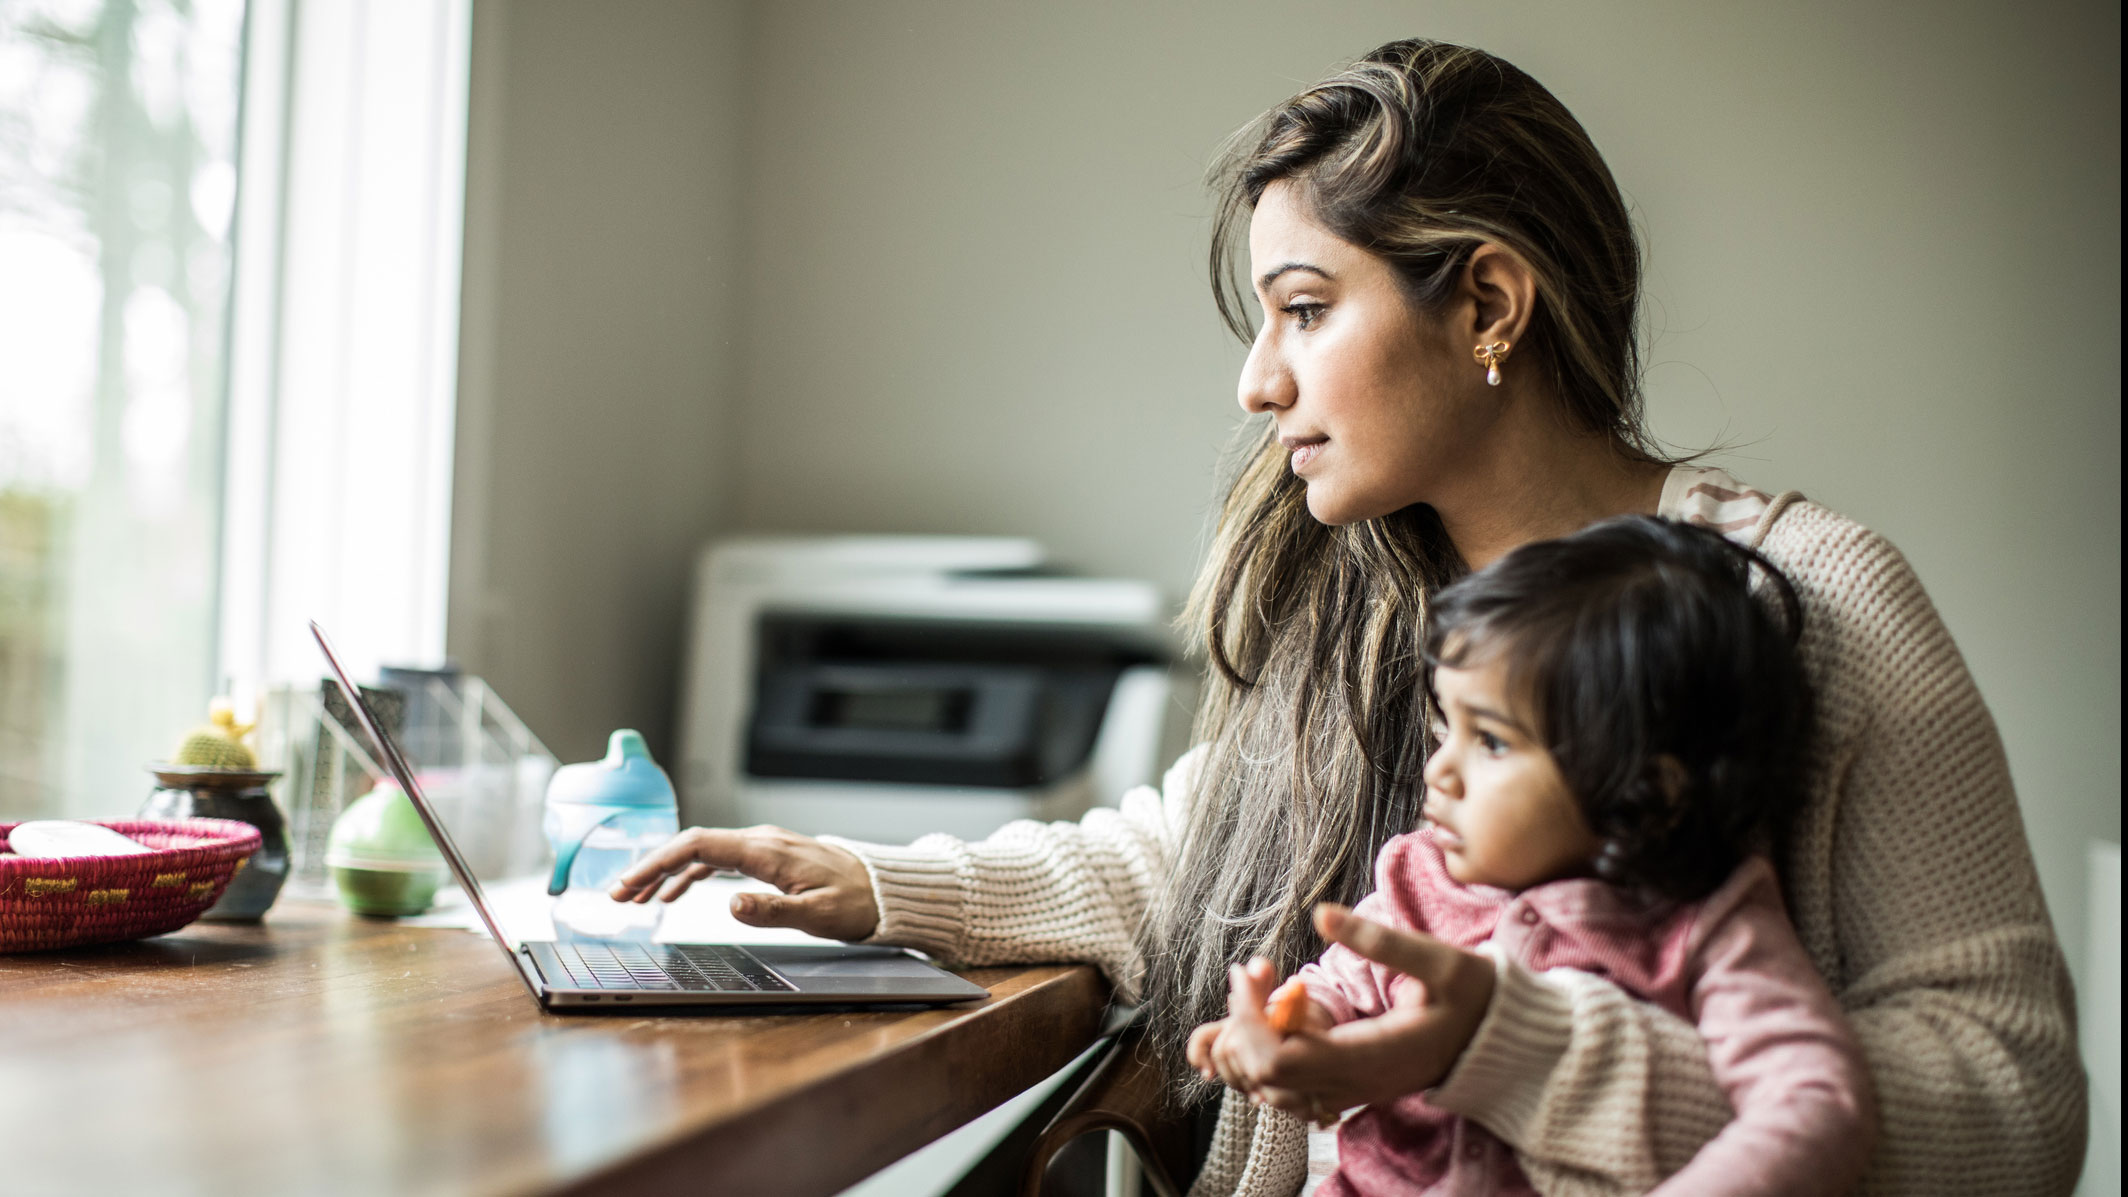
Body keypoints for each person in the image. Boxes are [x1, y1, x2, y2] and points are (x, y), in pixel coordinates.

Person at [612, 39, 2084, 1196]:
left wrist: (1515, 1058)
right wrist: (872, 889)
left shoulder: (1815, 602)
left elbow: (2013, 1101)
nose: (1258, 384)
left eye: (1305, 309)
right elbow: (1192, 858)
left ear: (1491, 303)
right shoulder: (1358, 599)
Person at [1188, 515, 1877, 1195]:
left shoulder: (1710, 923)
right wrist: (1288, 1026)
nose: (1440, 770)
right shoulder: (1419, 878)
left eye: (1490, 740)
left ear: (1647, 788)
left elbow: (1815, 1103)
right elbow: (1338, 986)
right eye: (1444, 725)